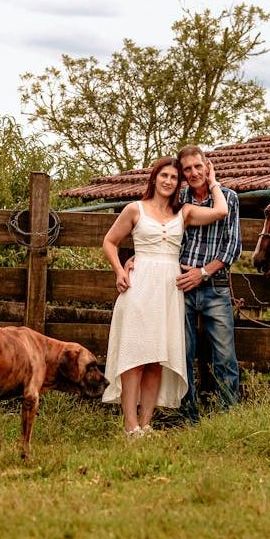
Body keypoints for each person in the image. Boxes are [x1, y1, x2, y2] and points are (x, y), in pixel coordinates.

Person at [102, 156, 228, 437]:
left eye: (174, 177)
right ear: (154, 178)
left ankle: (146, 424)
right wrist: (120, 269)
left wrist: (212, 180)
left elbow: (221, 211)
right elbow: (109, 242)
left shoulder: (183, 213)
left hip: (169, 291)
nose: (169, 181)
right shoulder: (135, 209)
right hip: (139, 287)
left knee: (156, 358)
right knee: (134, 356)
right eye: (164, 176)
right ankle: (130, 425)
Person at [174, 145, 243, 424]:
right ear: (182, 172)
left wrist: (202, 272)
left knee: (224, 356)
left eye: (198, 166)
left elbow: (232, 248)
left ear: (208, 166)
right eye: (187, 168)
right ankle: (188, 418)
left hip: (214, 286)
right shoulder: (177, 200)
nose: (194, 173)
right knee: (183, 354)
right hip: (182, 285)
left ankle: (227, 418)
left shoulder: (228, 198)